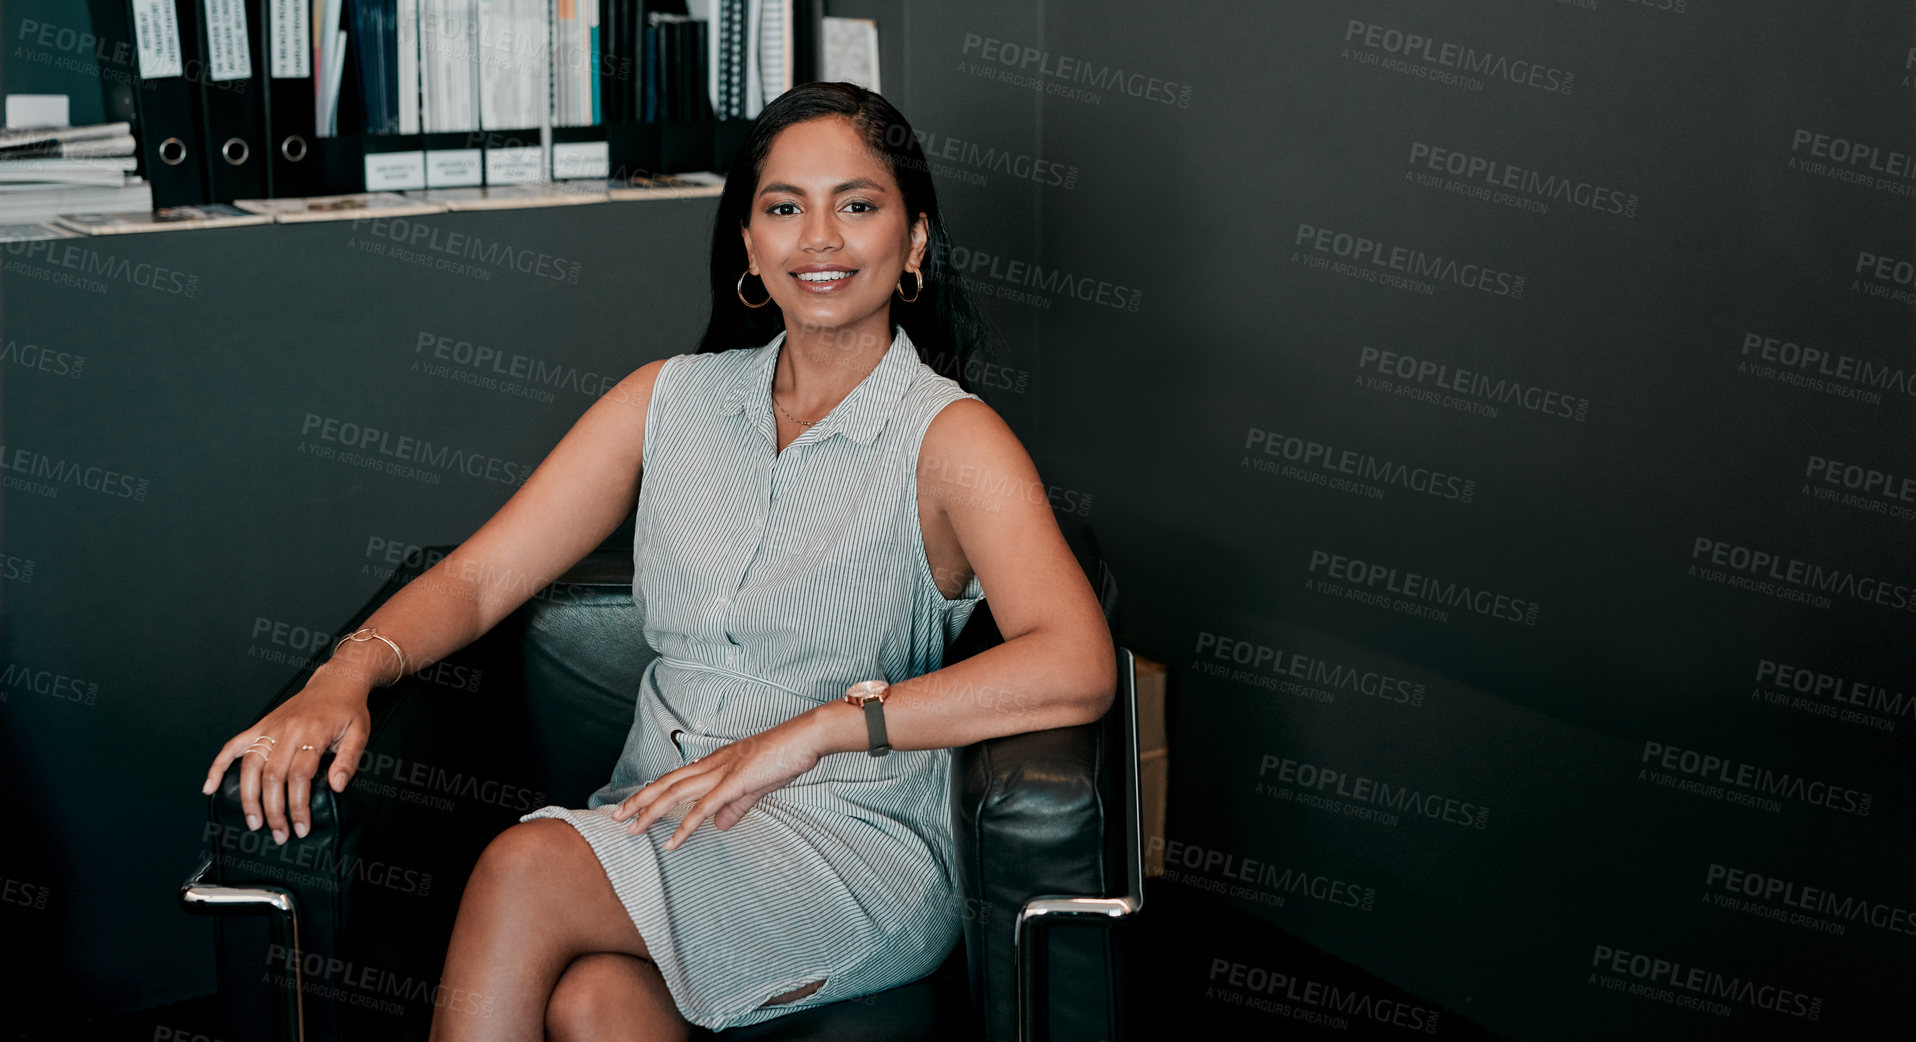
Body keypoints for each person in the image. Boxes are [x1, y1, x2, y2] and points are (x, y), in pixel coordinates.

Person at [199, 82, 1115, 1041]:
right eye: (783, 208)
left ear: (914, 240)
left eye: (857, 204)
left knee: (523, 867)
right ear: (751, 247)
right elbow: (481, 577)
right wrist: (343, 673)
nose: (820, 238)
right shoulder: (665, 402)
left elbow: (1076, 664)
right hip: (661, 819)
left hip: (848, 846)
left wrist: (819, 728)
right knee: (592, 1005)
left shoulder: (953, 440)